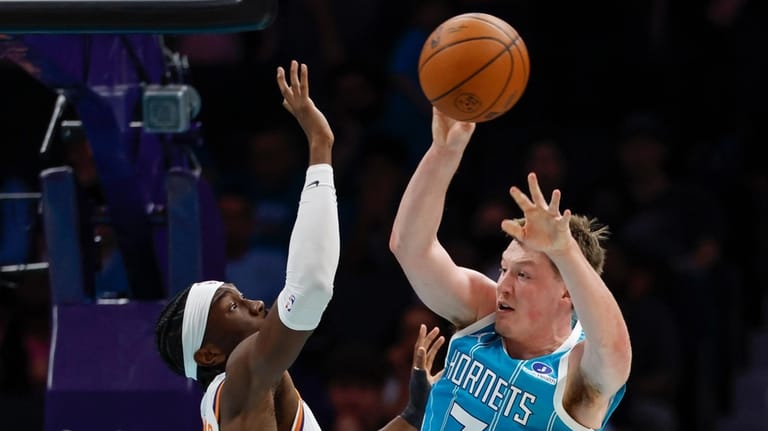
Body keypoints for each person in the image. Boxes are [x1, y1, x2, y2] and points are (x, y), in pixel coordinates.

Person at [154, 60, 445, 431]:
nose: (256, 304)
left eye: (241, 297)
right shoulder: (239, 373)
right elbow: (310, 289)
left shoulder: (260, 388)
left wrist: (415, 411)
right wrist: (320, 146)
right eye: (234, 306)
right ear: (208, 353)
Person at [389, 107, 632, 430]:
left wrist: (565, 252)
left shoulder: (577, 371)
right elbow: (410, 248)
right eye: (504, 269)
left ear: (567, 292)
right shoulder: (483, 311)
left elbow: (615, 349)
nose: (503, 284)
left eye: (523, 274)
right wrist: (444, 152)